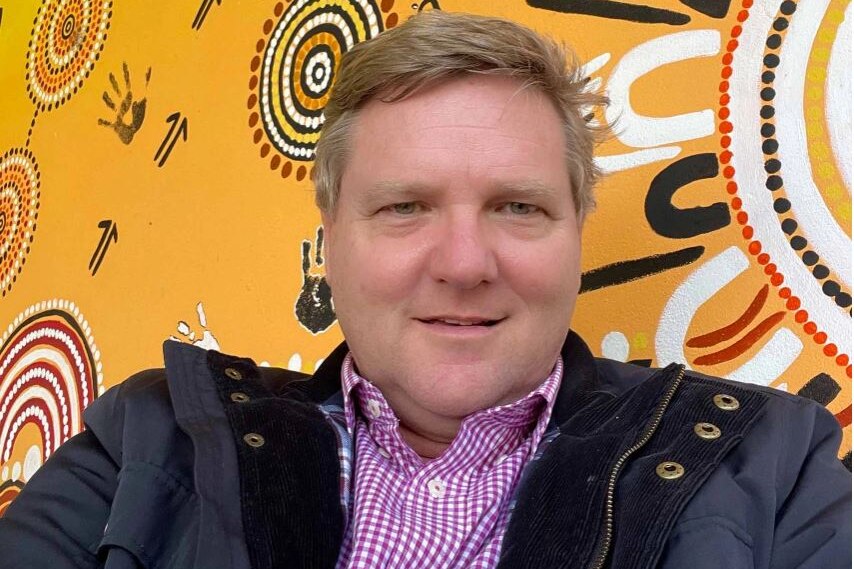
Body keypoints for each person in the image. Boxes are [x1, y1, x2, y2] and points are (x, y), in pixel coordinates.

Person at [0, 11, 849, 569]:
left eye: (518, 207)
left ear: (577, 234)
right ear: (330, 239)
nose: (465, 261)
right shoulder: (147, 440)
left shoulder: (776, 466)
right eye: (406, 207)